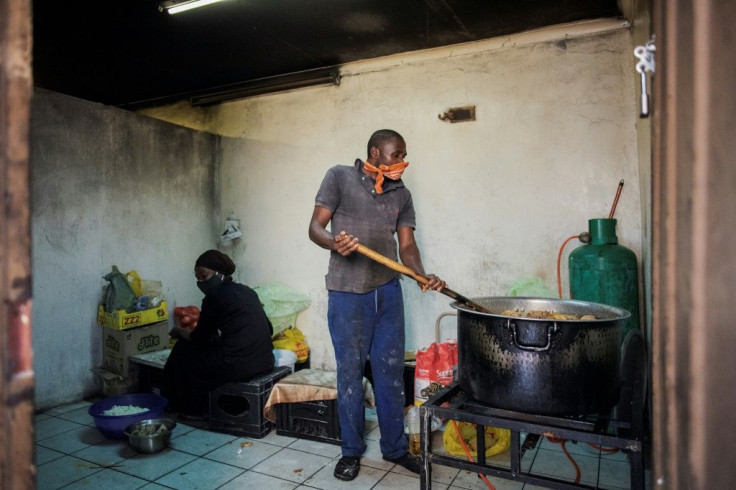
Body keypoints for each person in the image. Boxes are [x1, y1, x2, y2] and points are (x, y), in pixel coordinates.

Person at [308, 129, 446, 481]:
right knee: (351, 375)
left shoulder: (402, 193)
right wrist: (333, 244)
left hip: (387, 292)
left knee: (389, 374)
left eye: (403, 154)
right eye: (396, 154)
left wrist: (420, 274)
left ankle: (395, 448)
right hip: (347, 292)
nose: (401, 161)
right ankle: (351, 451)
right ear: (375, 152)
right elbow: (315, 228)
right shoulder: (339, 176)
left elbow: (408, 247)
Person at [162, 249, 275, 421]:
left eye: (204, 276)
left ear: (220, 274)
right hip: (266, 361)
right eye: (198, 278)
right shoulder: (247, 292)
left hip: (239, 367)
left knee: (183, 350)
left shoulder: (214, 297)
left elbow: (199, 338)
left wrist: (179, 332)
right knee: (205, 353)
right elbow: (269, 328)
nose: (200, 282)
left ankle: (189, 407)